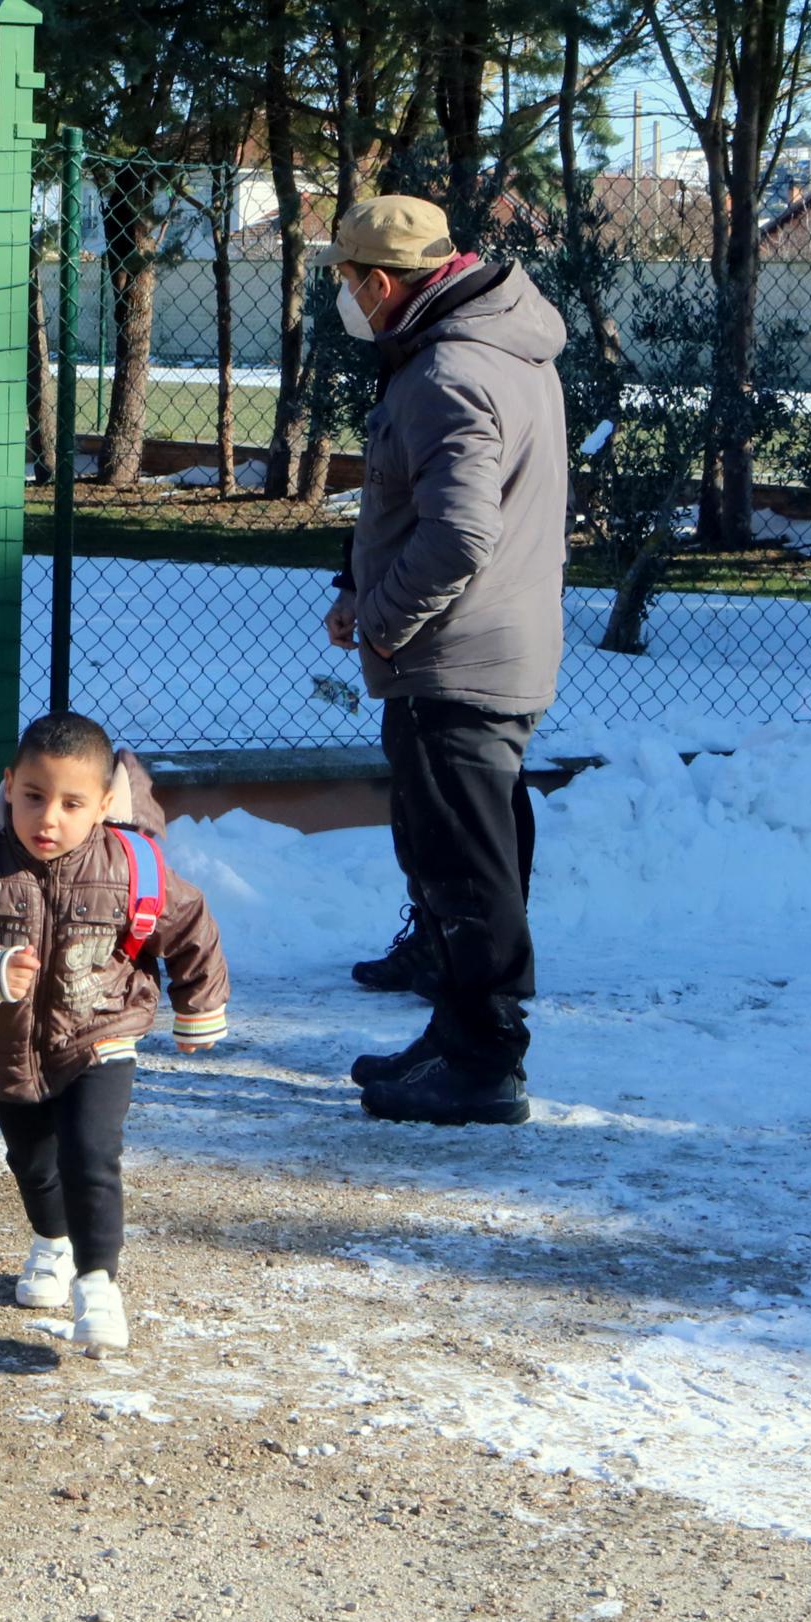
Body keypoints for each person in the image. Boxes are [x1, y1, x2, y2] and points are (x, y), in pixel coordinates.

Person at [321, 194, 568, 1128]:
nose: (347, 298)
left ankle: (482, 1062)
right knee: (468, 847)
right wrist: (362, 582)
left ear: (381, 284)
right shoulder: (501, 349)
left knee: (466, 860)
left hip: (455, 658)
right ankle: (457, 1026)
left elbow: (460, 532)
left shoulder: (448, 371)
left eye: (348, 280)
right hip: (497, 644)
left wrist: (381, 619)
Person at [0, 713, 231, 1357]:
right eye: (33, 796)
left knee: (90, 1155)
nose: (48, 818)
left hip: (100, 1033)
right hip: (5, 1042)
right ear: (9, 785)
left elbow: (190, 923)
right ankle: (52, 1242)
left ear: (104, 804)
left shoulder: (131, 865)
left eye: (71, 803)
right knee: (33, 1163)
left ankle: (98, 1287)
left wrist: (198, 1005)